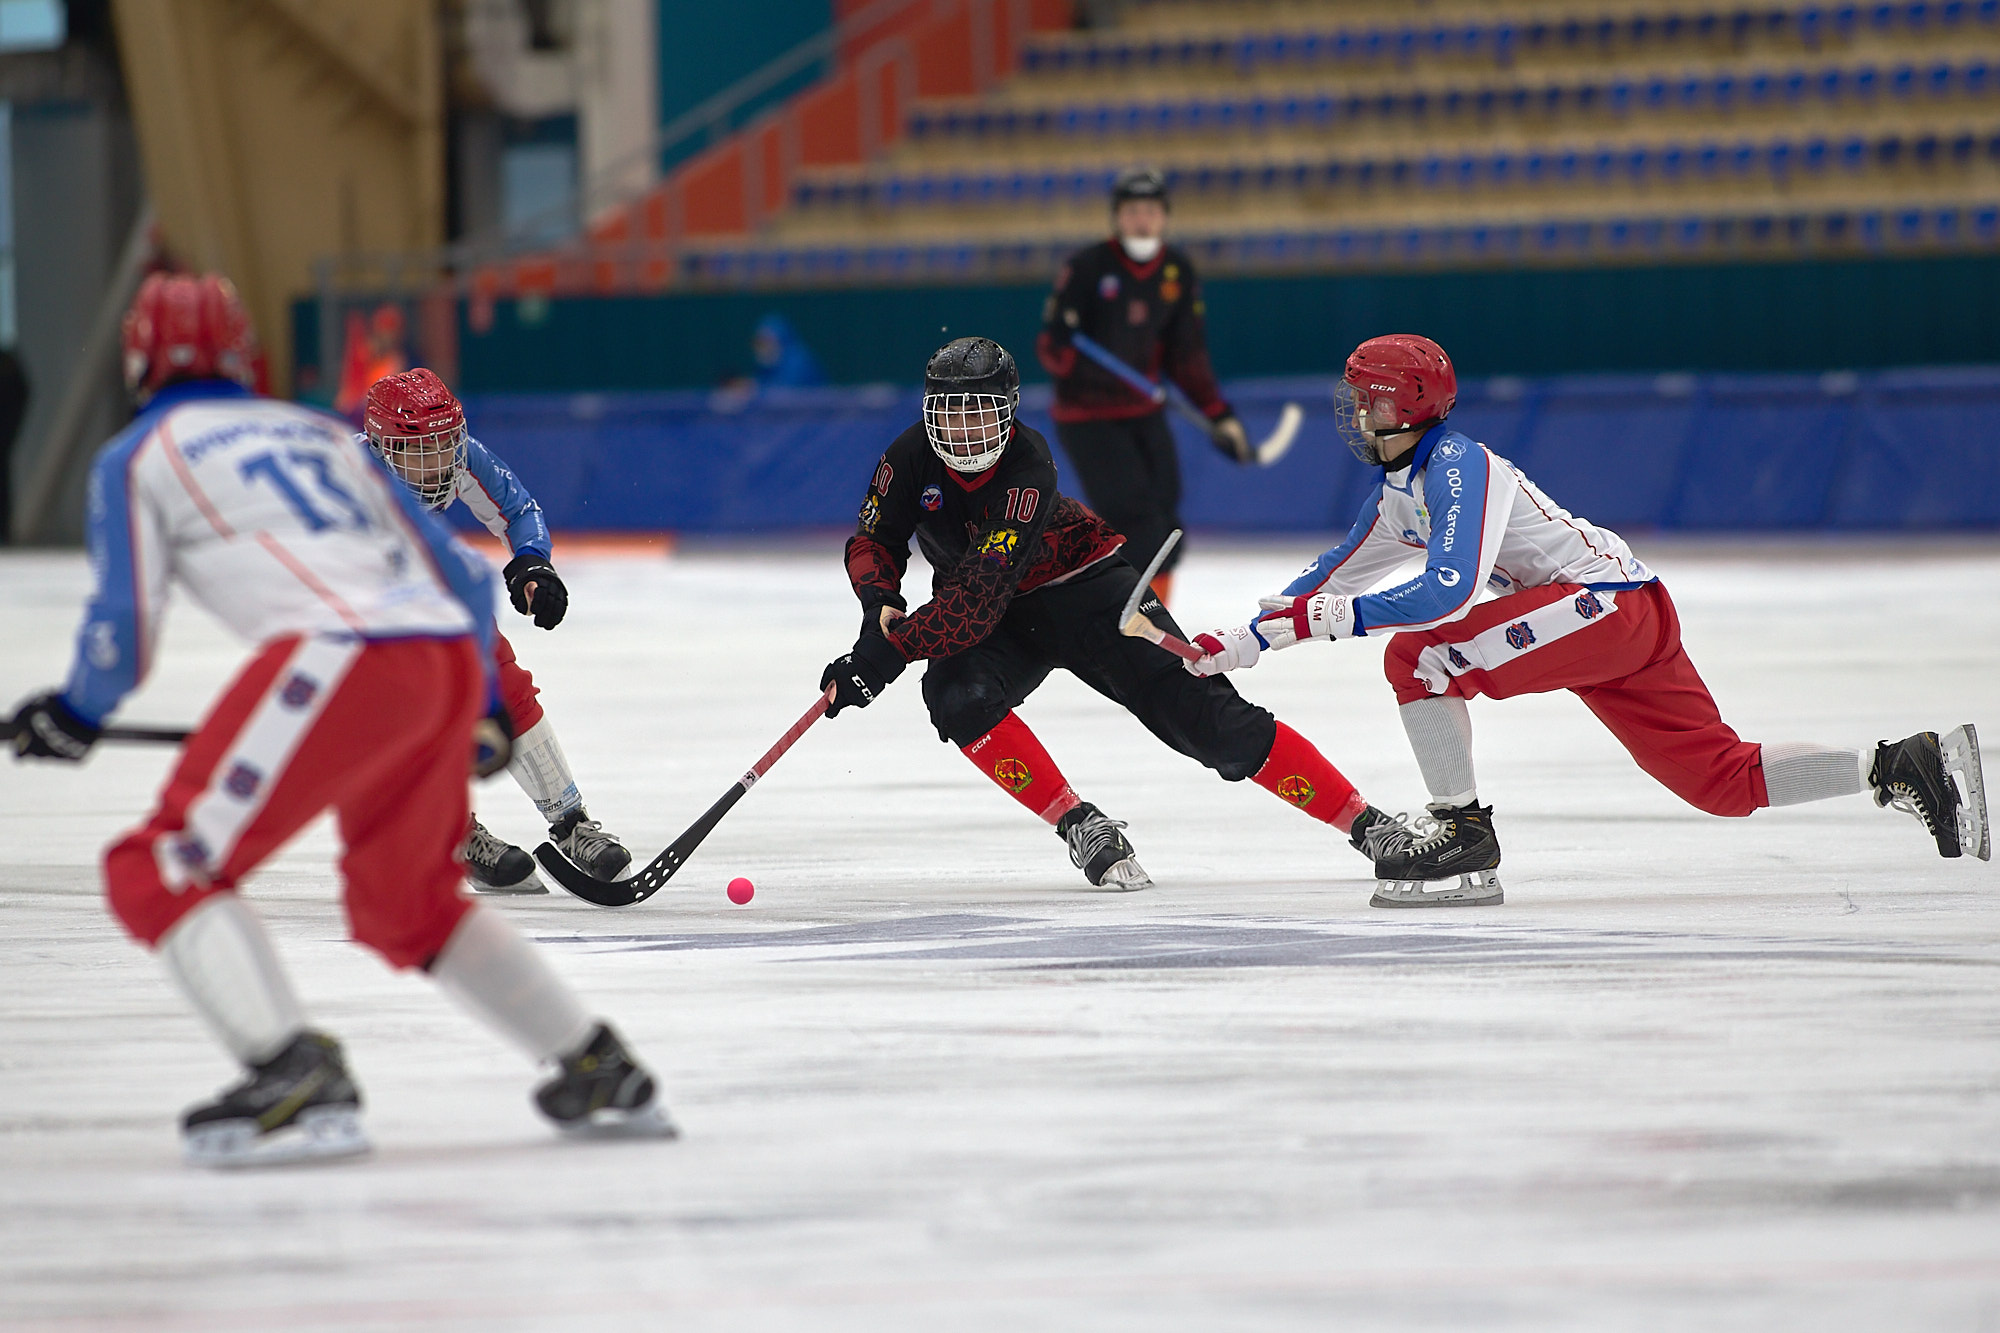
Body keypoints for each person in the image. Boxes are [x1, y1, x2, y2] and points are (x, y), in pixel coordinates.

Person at [7, 273, 673, 1166]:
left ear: (137, 360)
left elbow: (124, 628)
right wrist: (476, 700)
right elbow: (462, 575)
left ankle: (292, 1069)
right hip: (441, 651)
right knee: (406, 902)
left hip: (338, 656)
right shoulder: (319, 435)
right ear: (245, 356)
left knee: (159, 866)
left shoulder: (135, 456)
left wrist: (78, 711)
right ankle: (595, 1062)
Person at [1188, 333, 1992, 906]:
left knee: (1419, 659)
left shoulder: (1459, 465)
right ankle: (1899, 765)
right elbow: (1328, 576)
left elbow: (1448, 593)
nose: (1354, 416)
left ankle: (1463, 831)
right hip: (1621, 612)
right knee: (1719, 779)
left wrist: (1330, 621)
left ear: (1401, 404)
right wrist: (1238, 640)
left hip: (1603, 608)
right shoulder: (1401, 494)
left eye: (1363, 401)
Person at [818, 336, 1401, 890]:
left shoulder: (1028, 467)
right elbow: (873, 540)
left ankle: (1364, 822)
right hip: (997, 616)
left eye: (979, 413)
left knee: (1208, 720)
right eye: (949, 413)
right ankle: (1078, 822)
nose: (963, 431)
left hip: (1088, 594)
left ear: (1010, 412)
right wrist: (880, 608)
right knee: (956, 696)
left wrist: (885, 654)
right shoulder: (906, 457)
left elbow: (973, 601)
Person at [362, 368, 630, 893]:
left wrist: (532, 566)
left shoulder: (454, 455)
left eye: (447, 443)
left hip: (431, 582)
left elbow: (516, 508)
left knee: (505, 683)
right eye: (424, 451)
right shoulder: (342, 477)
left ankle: (572, 824)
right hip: (357, 602)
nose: (442, 462)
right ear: (380, 448)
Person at [1035, 168, 1250, 607]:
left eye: (1151, 211)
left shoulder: (1176, 271)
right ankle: (1128, 622)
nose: (1142, 221)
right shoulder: (1087, 268)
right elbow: (1051, 352)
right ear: (1117, 217)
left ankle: (1149, 618)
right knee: (1137, 522)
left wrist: (1219, 414)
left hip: (1143, 412)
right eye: (1132, 211)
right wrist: (1061, 339)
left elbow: (1187, 356)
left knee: (1168, 525)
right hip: (1089, 418)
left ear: (1164, 217)